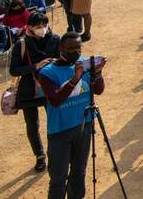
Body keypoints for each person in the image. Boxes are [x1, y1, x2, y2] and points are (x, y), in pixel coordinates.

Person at [38, 32, 106, 199]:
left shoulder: (84, 64)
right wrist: (75, 78)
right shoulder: (47, 73)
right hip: (60, 131)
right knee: (58, 178)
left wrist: (97, 73)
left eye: (78, 47)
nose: (75, 52)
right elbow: (55, 100)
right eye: (71, 48)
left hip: (84, 126)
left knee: (79, 172)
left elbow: (98, 90)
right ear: (61, 48)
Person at [8, 12, 61, 172]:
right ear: (29, 27)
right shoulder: (21, 44)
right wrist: (35, 66)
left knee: (54, 121)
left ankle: (55, 153)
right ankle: (39, 156)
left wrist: (55, 63)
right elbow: (14, 70)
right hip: (28, 89)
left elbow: (64, 60)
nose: (42, 29)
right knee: (32, 125)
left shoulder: (55, 39)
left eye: (44, 25)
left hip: (50, 87)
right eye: (38, 27)